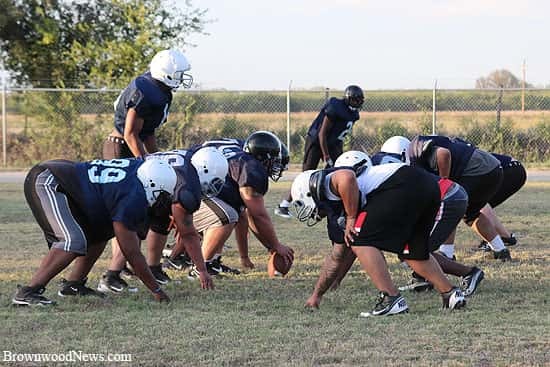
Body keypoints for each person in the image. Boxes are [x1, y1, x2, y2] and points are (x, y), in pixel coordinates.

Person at [292, 162, 466, 317]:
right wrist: (317, 295)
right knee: (413, 252)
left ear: (308, 192)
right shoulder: (334, 208)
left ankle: (391, 299)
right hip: (427, 186)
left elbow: (346, 177)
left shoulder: (327, 183)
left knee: (359, 239)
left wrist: (352, 218)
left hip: (403, 184)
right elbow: (336, 257)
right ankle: (450, 293)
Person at [13, 158, 177, 306]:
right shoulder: (132, 197)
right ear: (153, 186)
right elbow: (131, 253)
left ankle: (73, 285)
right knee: (72, 241)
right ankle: (28, 291)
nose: (163, 202)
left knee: (100, 234)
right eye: (163, 196)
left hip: (65, 179)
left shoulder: (142, 171)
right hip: (49, 180)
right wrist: (156, 291)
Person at [335, 150, 484, 296]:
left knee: (414, 252)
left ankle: (466, 274)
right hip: (444, 195)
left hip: (446, 197)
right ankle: (440, 279)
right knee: (411, 251)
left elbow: (359, 241)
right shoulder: (377, 175)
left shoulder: (366, 181)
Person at [102, 49, 192, 279]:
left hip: (131, 147)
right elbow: (131, 133)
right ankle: (117, 269)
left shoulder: (159, 90)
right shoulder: (147, 91)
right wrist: (145, 163)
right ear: (167, 73)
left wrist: (157, 159)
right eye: (179, 73)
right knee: (129, 211)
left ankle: (152, 266)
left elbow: (147, 132)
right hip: (121, 148)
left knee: (158, 208)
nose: (182, 77)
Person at [98, 147, 228, 293]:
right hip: (132, 182)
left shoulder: (191, 160)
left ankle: (153, 268)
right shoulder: (188, 188)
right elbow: (188, 234)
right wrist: (202, 269)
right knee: (131, 226)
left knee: (162, 219)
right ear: (204, 171)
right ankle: (111, 276)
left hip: (143, 177)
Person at [165, 132, 294, 277]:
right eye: (274, 162)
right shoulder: (251, 167)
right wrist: (275, 246)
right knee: (224, 215)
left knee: (227, 209)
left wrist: (244, 258)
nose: (275, 167)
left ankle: (185, 259)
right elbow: (257, 215)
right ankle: (200, 267)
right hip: (184, 188)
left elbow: (243, 216)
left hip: (178, 181)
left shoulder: (239, 149)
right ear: (262, 158)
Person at [407, 135, 510, 261]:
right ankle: (500, 250)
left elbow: (443, 154)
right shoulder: (414, 156)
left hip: (479, 168)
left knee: (451, 205)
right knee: (470, 215)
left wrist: (444, 184)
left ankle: (447, 254)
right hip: (492, 168)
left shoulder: (414, 150)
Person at [275, 85, 364, 218]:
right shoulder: (335, 107)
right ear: (348, 98)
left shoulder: (354, 114)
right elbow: (322, 134)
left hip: (333, 143)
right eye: (355, 100)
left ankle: (334, 209)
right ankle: (283, 205)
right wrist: (326, 156)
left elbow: (339, 136)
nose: (358, 103)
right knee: (305, 175)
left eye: (360, 100)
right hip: (316, 142)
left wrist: (339, 156)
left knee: (341, 172)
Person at [477, 153, 526, 250]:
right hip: (509, 168)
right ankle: (504, 238)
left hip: (510, 169)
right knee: (478, 204)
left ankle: (503, 238)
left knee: (477, 204)